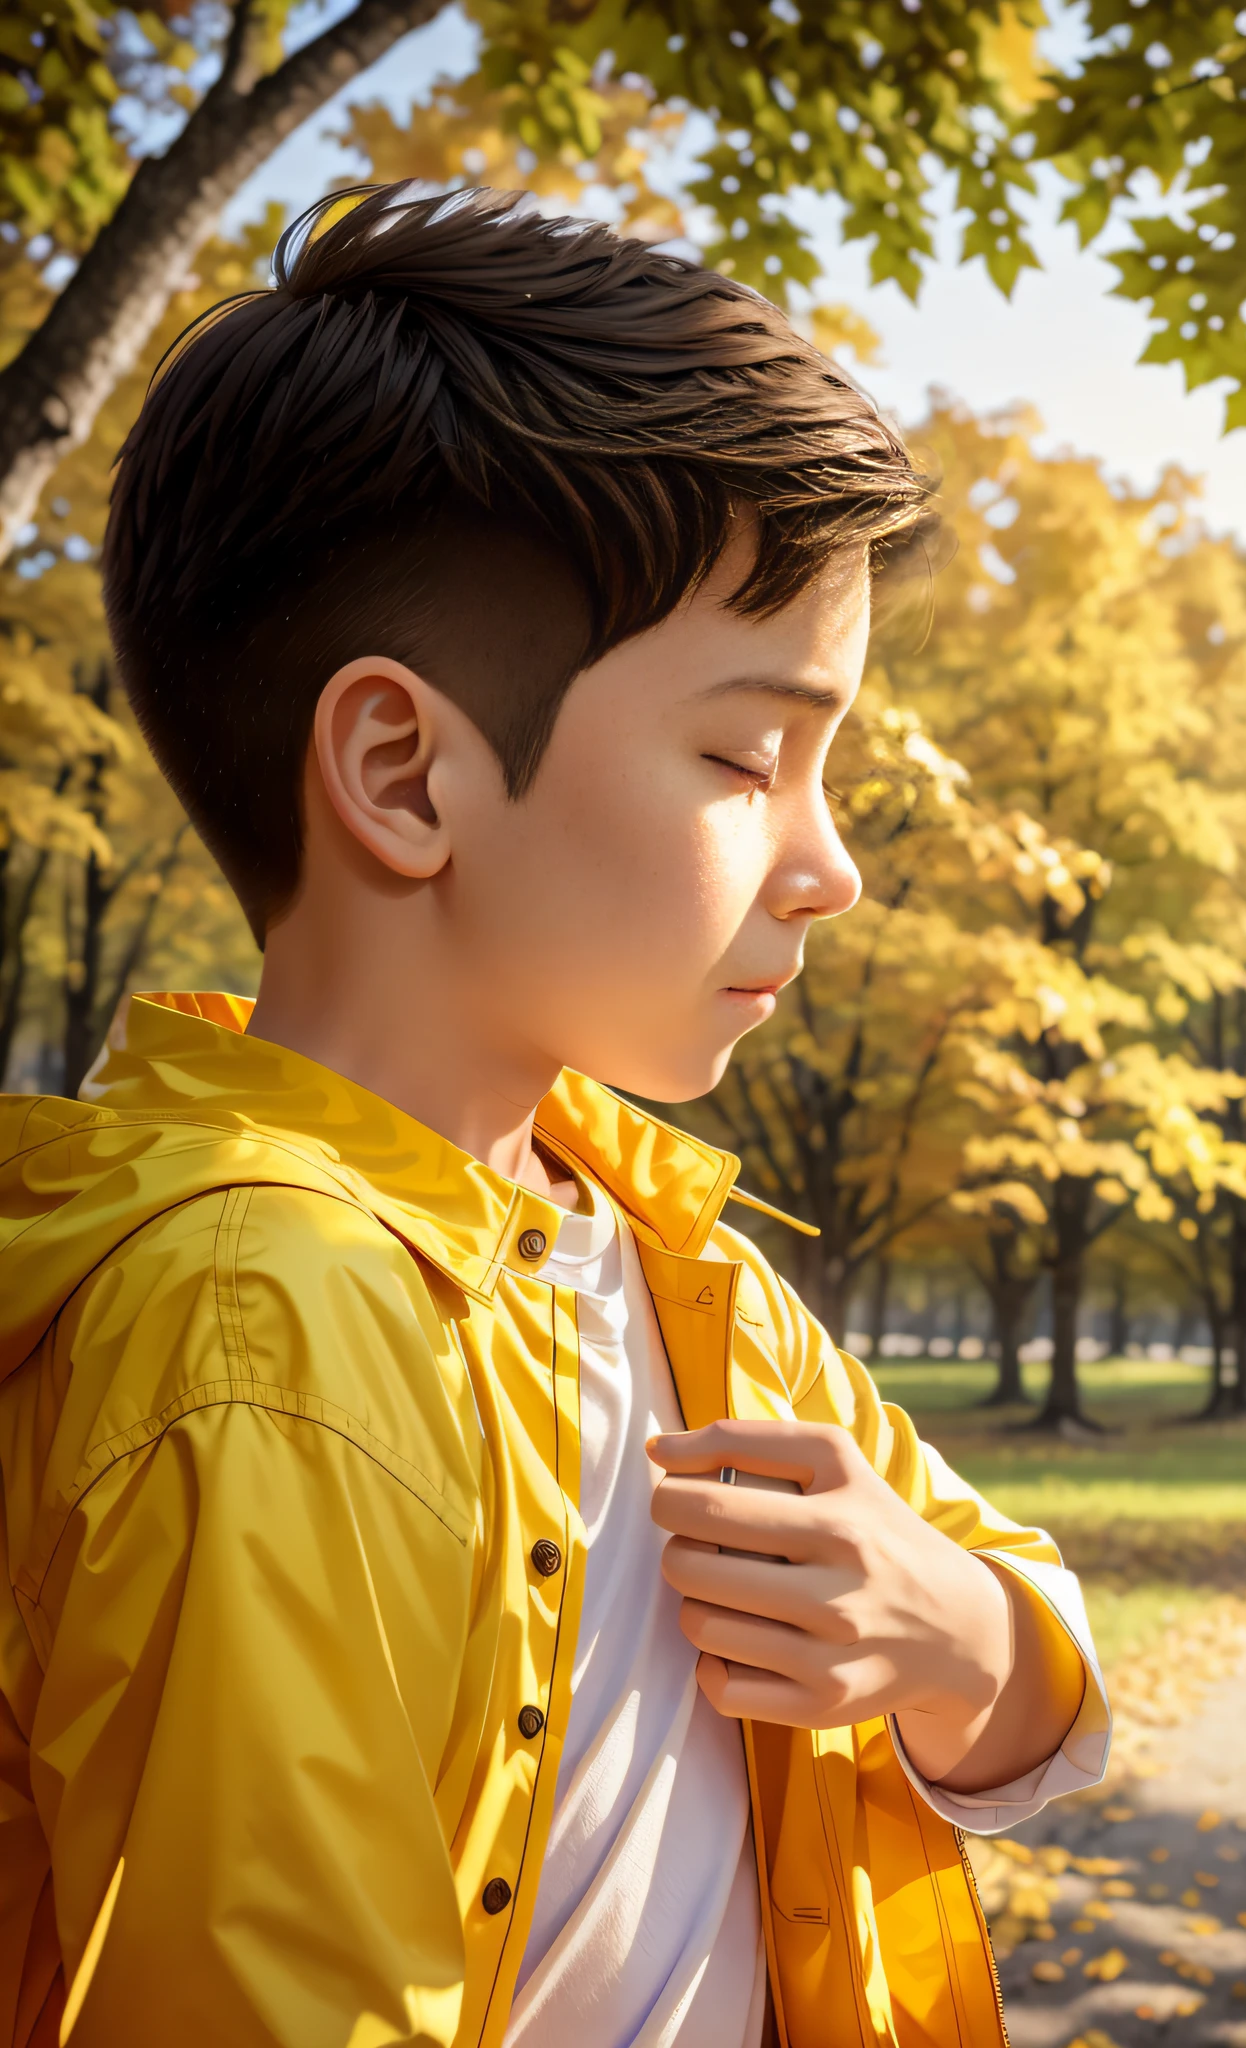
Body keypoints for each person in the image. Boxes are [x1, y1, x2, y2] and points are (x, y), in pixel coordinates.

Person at [0, 184, 1108, 2048]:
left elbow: (1038, 1685)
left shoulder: (673, 1263)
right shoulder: (263, 1319)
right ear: (402, 771)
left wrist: (954, 1631)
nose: (828, 866)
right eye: (750, 757)